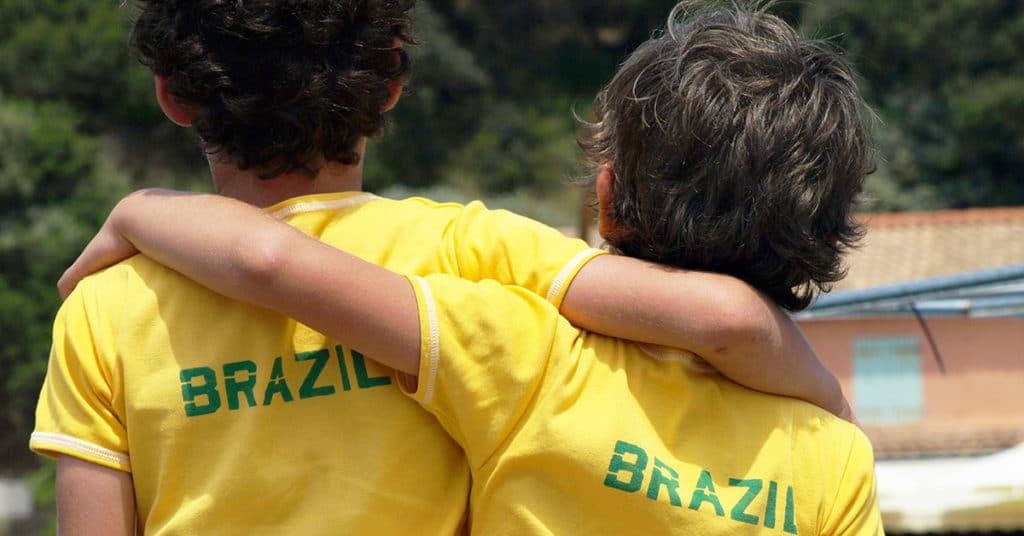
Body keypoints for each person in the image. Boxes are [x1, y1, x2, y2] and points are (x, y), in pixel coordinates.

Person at [52, 1, 882, 534]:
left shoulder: (103, 308)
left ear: (171, 94)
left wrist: (139, 209)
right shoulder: (476, 255)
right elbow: (723, 319)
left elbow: (267, 258)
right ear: (390, 87)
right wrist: (828, 404)